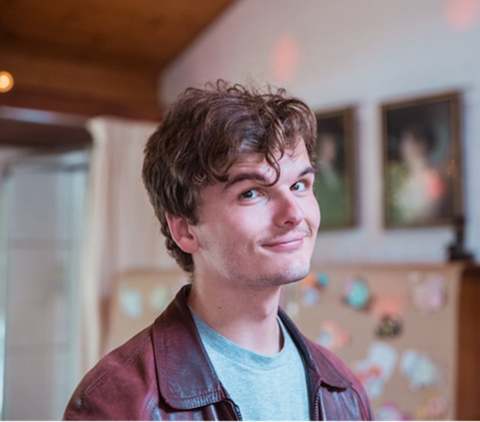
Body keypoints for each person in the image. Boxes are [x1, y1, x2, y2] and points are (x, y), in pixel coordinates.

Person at [63, 81, 372, 421]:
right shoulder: (119, 403)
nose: (294, 214)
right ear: (185, 229)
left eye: (299, 185)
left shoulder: (344, 392)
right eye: (252, 192)